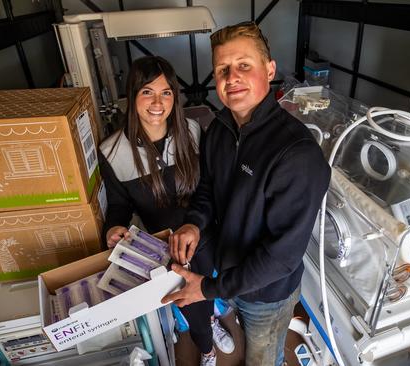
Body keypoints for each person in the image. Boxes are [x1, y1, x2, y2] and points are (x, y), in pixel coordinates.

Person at [162, 22, 331, 366]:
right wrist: (194, 223)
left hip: (267, 294)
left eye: (244, 66)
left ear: (269, 70)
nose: (231, 77)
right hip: (229, 277)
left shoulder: (296, 154)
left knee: (262, 357)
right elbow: (208, 188)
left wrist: (208, 289)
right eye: (222, 69)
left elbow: (281, 256)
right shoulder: (219, 130)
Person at [99, 56, 233, 366]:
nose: (158, 102)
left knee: (210, 287)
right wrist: (113, 228)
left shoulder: (192, 131)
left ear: (176, 95)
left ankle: (212, 321)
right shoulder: (113, 152)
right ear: (132, 96)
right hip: (166, 247)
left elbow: (208, 186)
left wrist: (198, 225)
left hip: (205, 233)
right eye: (147, 92)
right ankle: (206, 347)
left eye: (166, 92)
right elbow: (119, 205)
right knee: (190, 301)